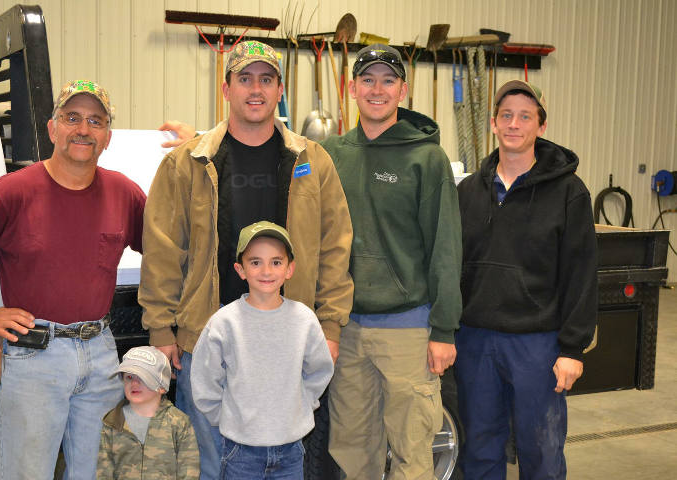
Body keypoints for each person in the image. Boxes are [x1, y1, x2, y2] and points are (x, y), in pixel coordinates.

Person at [139, 40, 353, 479]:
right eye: (244, 78)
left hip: (287, 343)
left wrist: (329, 326)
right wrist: (161, 328)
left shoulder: (313, 162)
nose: (255, 89)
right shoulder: (188, 163)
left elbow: (335, 249)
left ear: (279, 91)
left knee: (282, 464)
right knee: (211, 463)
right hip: (207, 339)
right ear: (226, 88)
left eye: (266, 79)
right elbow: (163, 250)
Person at [0, 80, 146, 480]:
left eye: (96, 121)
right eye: (72, 117)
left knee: (98, 473)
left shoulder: (123, 193)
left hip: (100, 355)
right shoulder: (13, 192)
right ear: (52, 128)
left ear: (108, 137)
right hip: (32, 359)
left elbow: (168, 252)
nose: (83, 129)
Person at [320, 44, 463, 480]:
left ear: (403, 88)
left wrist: (443, 329)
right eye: (367, 79)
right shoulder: (329, 154)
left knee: (412, 453)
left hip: (408, 329)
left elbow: (445, 247)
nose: (377, 89)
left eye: (387, 80)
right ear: (351, 88)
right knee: (352, 450)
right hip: (346, 329)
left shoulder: (427, 157)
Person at [456, 80, 598, 479]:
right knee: (480, 448)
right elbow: (452, 266)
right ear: (493, 123)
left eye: (525, 116)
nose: (514, 124)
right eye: (506, 115)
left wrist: (572, 348)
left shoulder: (569, 193)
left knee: (541, 450)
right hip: (476, 339)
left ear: (541, 125)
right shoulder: (468, 191)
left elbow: (581, 273)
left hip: (537, 344)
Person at [190, 221, 334, 479]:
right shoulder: (224, 322)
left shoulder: (304, 319)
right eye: (255, 262)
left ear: (290, 269)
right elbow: (205, 379)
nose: (266, 270)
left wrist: (301, 406)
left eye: (276, 262)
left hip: (291, 450)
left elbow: (319, 371)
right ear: (240, 269)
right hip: (240, 453)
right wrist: (226, 419)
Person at [97, 346, 199, 479]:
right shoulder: (113, 421)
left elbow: (189, 470)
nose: (134, 383)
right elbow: (104, 471)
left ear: (162, 387)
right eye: (129, 377)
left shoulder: (178, 422)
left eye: (142, 378)